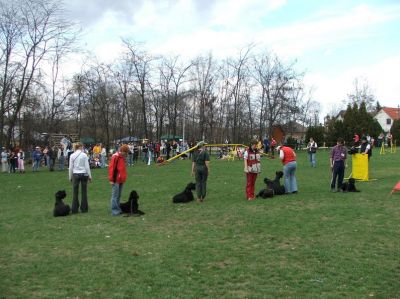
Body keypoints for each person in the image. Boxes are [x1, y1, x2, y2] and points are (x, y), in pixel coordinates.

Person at [69, 142, 92, 213]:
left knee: (75, 192)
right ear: (81, 147)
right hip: (84, 174)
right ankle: (84, 208)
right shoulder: (84, 155)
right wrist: (90, 176)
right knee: (84, 192)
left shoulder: (72, 155)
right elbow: (87, 167)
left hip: (75, 174)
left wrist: (70, 177)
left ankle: (74, 209)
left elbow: (70, 168)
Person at [108, 144, 129, 215]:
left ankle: (118, 209)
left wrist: (124, 177)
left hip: (121, 179)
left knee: (119, 195)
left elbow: (122, 169)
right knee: (115, 195)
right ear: (122, 151)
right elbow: (111, 169)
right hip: (115, 179)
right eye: (126, 153)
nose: (126, 154)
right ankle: (114, 210)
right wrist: (111, 179)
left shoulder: (122, 158)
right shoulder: (115, 157)